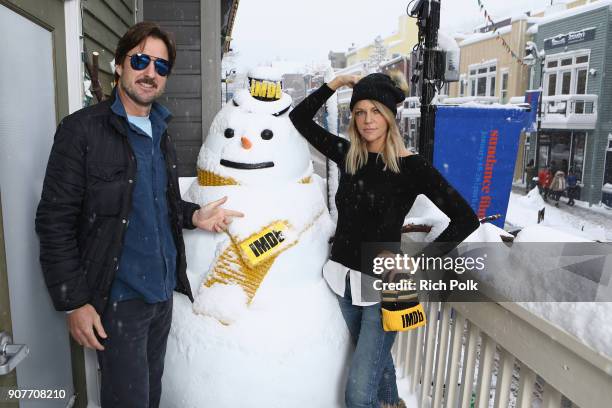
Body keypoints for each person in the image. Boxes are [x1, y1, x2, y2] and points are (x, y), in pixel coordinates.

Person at [35, 22, 242, 408]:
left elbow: (152, 200)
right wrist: (74, 302)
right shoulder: (82, 131)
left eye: (161, 66)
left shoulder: (160, 129)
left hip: (161, 297)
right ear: (119, 65)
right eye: (141, 60)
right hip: (118, 303)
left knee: (151, 397)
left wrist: (193, 216)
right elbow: (54, 220)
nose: (150, 73)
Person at [289, 73, 479, 408]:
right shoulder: (349, 155)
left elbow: (466, 219)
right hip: (343, 280)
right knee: (378, 365)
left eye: (375, 111)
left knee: (358, 394)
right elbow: (300, 118)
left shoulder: (412, 167)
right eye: (360, 112)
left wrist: (418, 262)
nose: (367, 120)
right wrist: (336, 82)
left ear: (390, 116)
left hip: (385, 288)